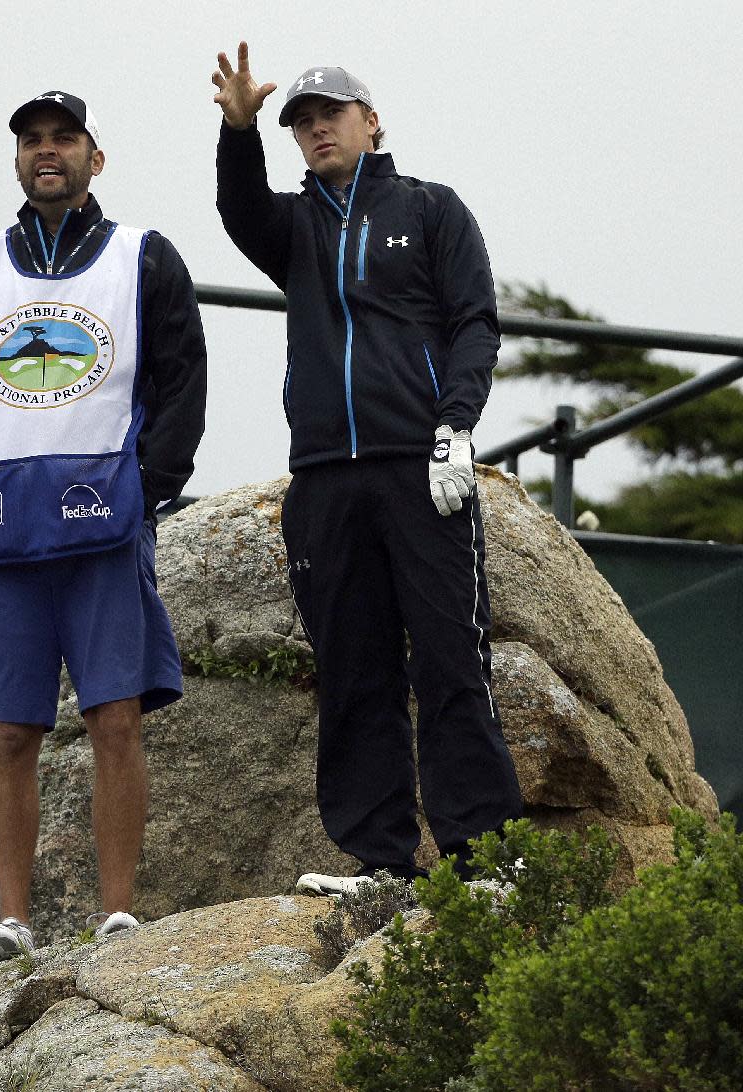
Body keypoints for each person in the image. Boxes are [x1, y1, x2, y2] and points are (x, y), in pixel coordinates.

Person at [212, 45, 522, 896]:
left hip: (421, 467)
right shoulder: (294, 227)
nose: (316, 129)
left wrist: (457, 427)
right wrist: (238, 132)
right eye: (302, 122)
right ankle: (380, 860)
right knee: (354, 669)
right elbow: (238, 210)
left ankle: (486, 858)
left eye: (331, 114)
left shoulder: (430, 210)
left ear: (371, 120)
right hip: (324, 476)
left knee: (452, 659)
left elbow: (475, 323)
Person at [0, 91, 206, 964]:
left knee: (116, 720)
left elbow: (183, 382)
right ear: (17, 163)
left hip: (102, 528)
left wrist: (147, 489)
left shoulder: (142, 258)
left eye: (65, 139)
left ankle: (118, 915)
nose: (49, 152)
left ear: (94, 158)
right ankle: (13, 921)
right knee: (8, 731)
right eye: (33, 142)